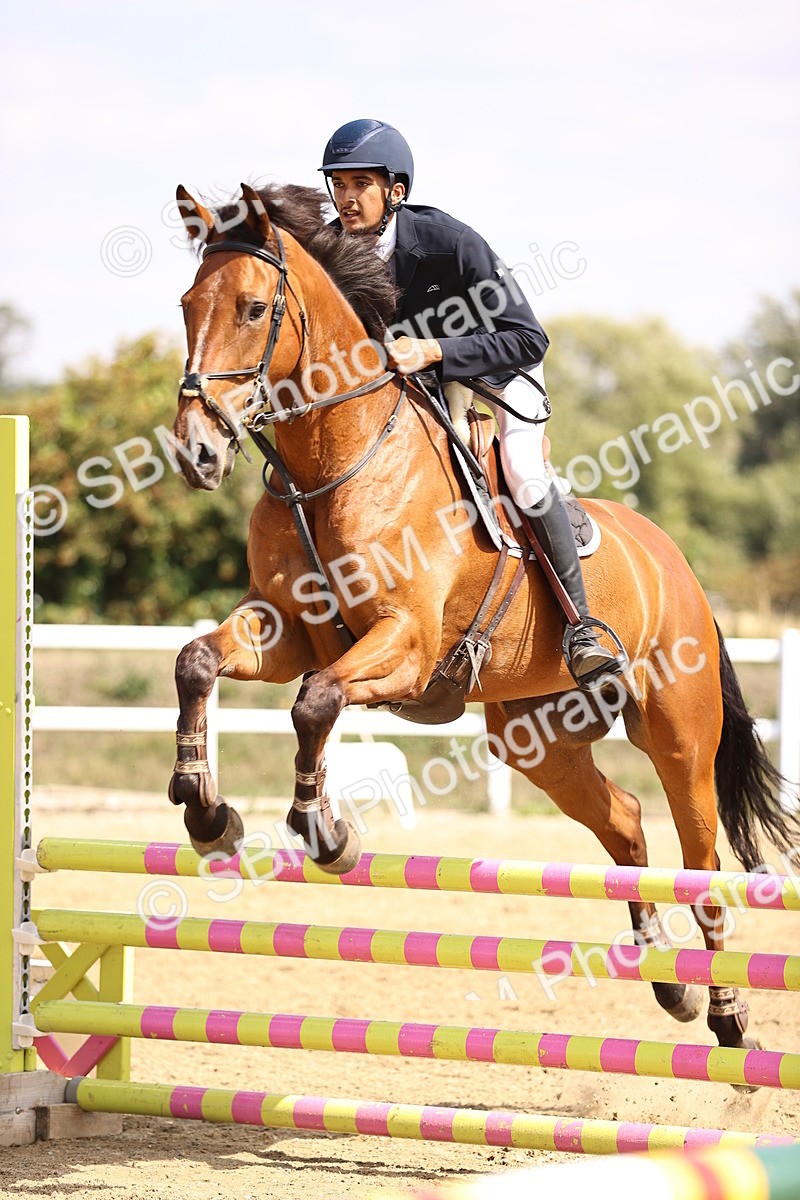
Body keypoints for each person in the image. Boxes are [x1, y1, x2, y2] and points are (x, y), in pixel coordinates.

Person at [319, 118, 626, 690]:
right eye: (338, 184)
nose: (346, 197)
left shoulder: (449, 243)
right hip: (417, 385)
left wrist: (434, 348)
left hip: (497, 372)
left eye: (361, 183)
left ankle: (583, 628)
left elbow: (529, 338)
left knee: (525, 476)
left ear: (396, 191)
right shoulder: (332, 250)